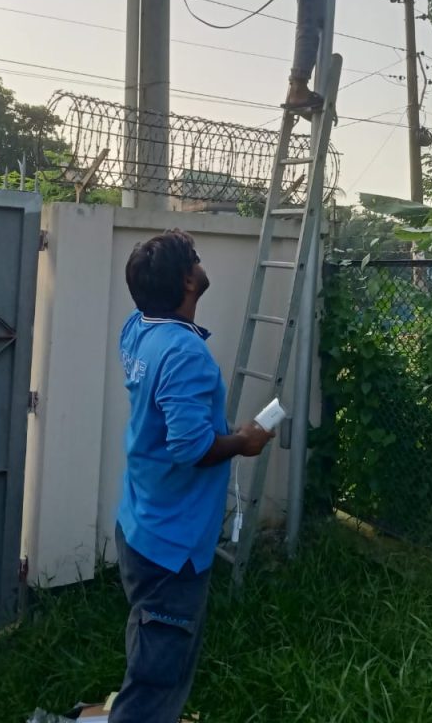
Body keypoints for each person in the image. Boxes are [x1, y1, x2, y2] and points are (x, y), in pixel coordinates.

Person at [109, 229, 274, 723]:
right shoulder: (184, 355)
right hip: (172, 542)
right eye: (196, 260)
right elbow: (189, 446)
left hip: (141, 519)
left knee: (152, 645)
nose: (203, 265)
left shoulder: (139, 327)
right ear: (187, 281)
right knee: (158, 675)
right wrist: (243, 443)